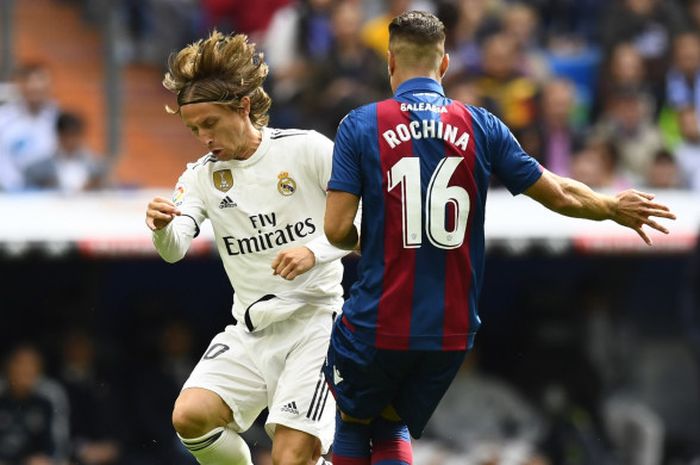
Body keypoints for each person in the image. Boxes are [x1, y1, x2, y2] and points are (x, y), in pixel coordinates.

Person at [322, 11, 676, 465]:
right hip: (450, 330)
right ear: (445, 65)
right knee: (392, 423)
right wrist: (611, 208)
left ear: (390, 62)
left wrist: (364, 241)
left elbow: (335, 229)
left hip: (379, 319)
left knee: (352, 421)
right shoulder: (482, 126)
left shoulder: (361, 124)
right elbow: (560, 193)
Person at [145, 30, 348, 465]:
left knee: (291, 458)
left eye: (210, 124)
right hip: (252, 331)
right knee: (190, 417)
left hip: (316, 324)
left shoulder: (307, 149)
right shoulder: (200, 176)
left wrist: (315, 251)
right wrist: (162, 228)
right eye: (194, 128)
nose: (203, 137)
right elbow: (174, 248)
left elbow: (368, 217)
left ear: (243, 107)